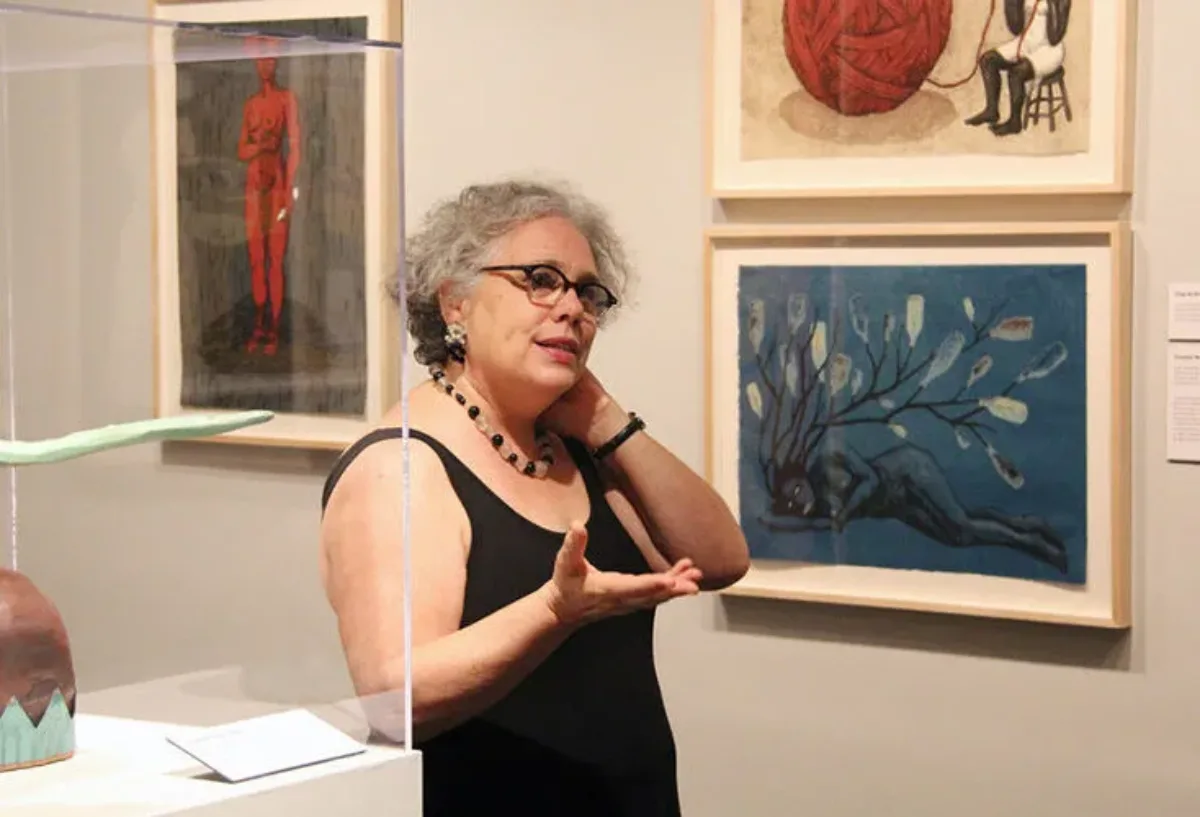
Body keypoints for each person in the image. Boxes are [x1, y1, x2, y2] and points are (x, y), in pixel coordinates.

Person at [318, 179, 750, 816]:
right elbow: (394, 697)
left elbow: (720, 559)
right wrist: (555, 610)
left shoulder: (573, 444)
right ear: (455, 303)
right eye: (541, 280)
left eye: (587, 291)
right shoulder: (401, 465)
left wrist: (604, 417)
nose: (572, 307)